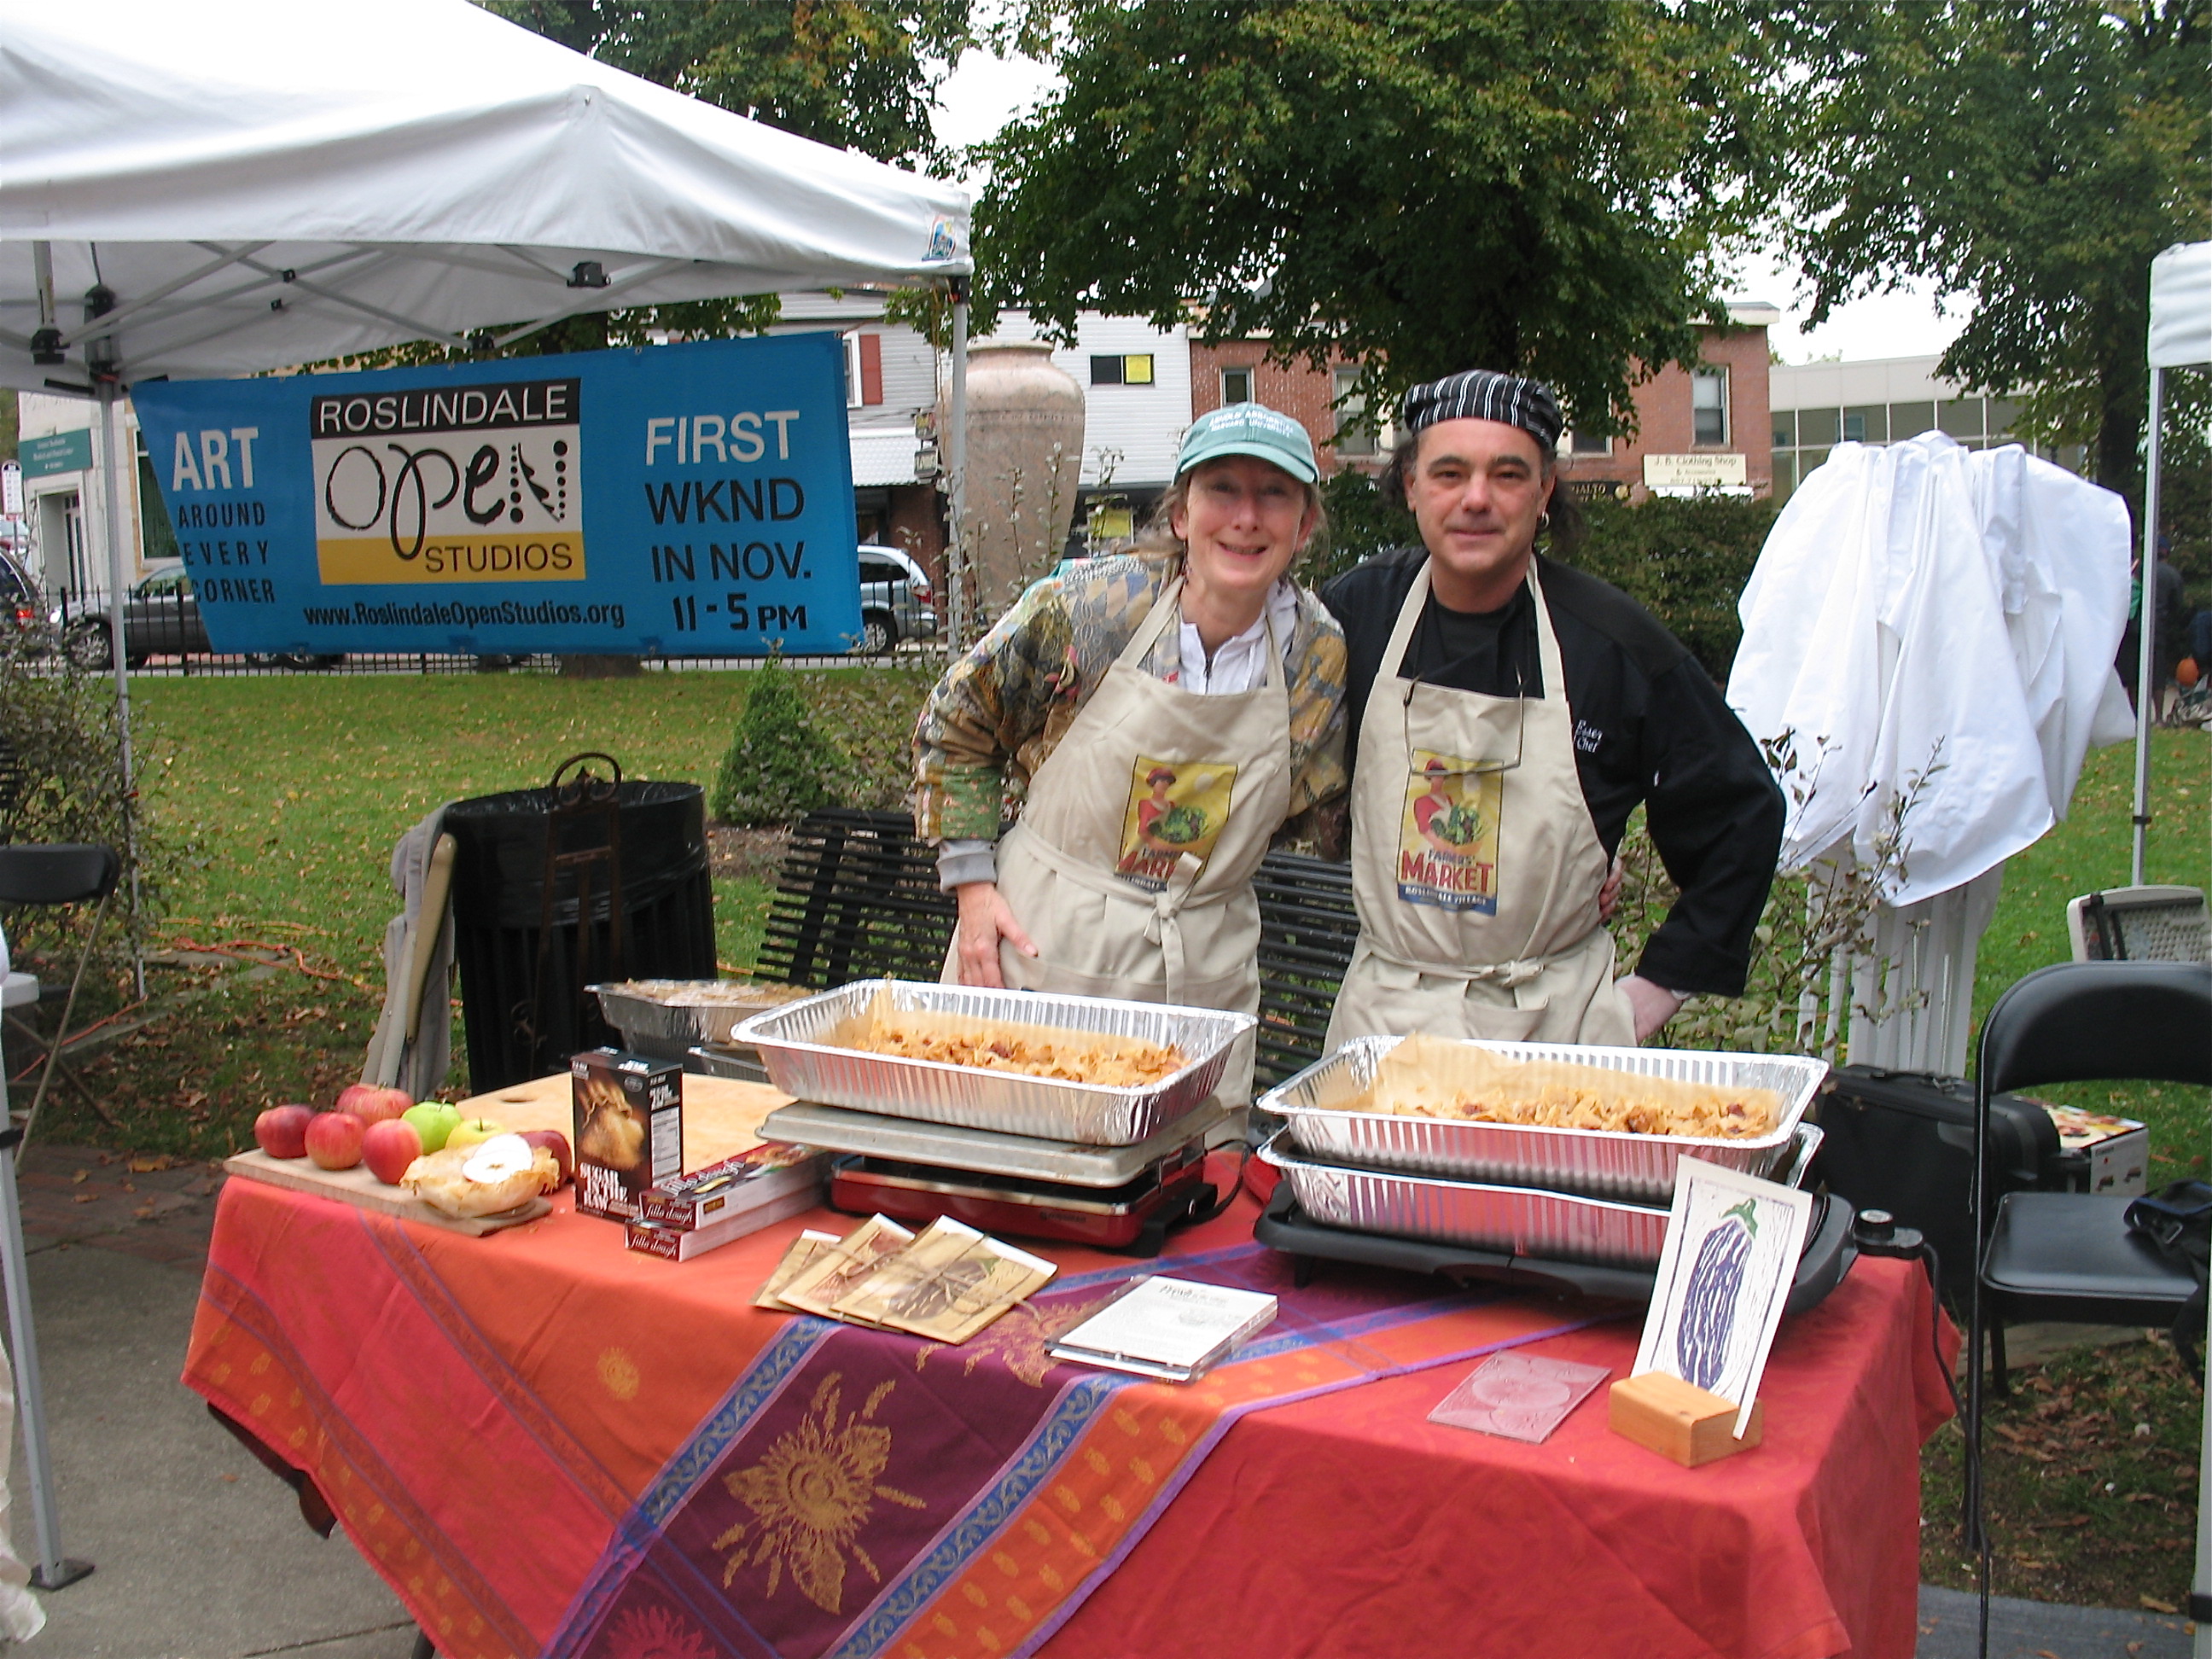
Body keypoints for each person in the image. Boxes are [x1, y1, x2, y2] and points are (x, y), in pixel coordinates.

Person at [1320, 369, 1784, 1048]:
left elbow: (1742, 814)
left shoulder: (1612, 644)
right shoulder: (1357, 613)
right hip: (1383, 1027)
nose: (1476, 499)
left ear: (1545, 494)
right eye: (1449, 473)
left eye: (1507, 475)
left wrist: (1659, 987)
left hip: (1554, 1034)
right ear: (1411, 486)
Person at [913, 403, 1348, 1098]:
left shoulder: (1315, 654)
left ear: (1303, 526)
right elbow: (959, 722)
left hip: (1200, 983)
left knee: (1194, 1187)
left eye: (1274, 494)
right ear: (1181, 514)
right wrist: (971, 886)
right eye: (1222, 490)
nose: (1246, 517)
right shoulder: (1090, 609)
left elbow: (1328, 803)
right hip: (1043, 954)